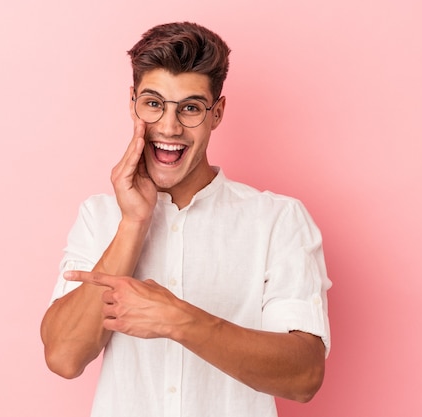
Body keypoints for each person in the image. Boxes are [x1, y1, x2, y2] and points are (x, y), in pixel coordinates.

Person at [40, 21, 331, 417]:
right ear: (133, 104)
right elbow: (63, 357)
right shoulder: (100, 216)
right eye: (154, 103)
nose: (169, 127)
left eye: (190, 108)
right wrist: (132, 224)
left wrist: (179, 320)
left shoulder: (277, 219)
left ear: (217, 113)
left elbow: (304, 375)